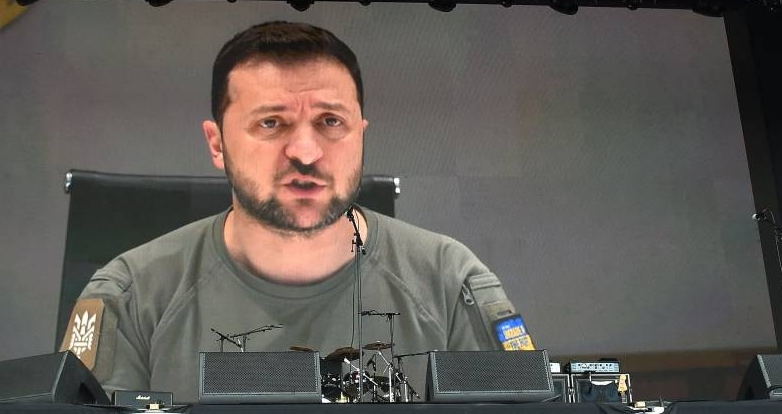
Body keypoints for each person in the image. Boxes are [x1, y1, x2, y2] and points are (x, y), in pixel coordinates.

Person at [73, 21, 529, 403]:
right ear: (217, 143)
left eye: (331, 122)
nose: (306, 152)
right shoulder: (130, 296)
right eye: (271, 123)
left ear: (361, 135)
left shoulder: (451, 285)